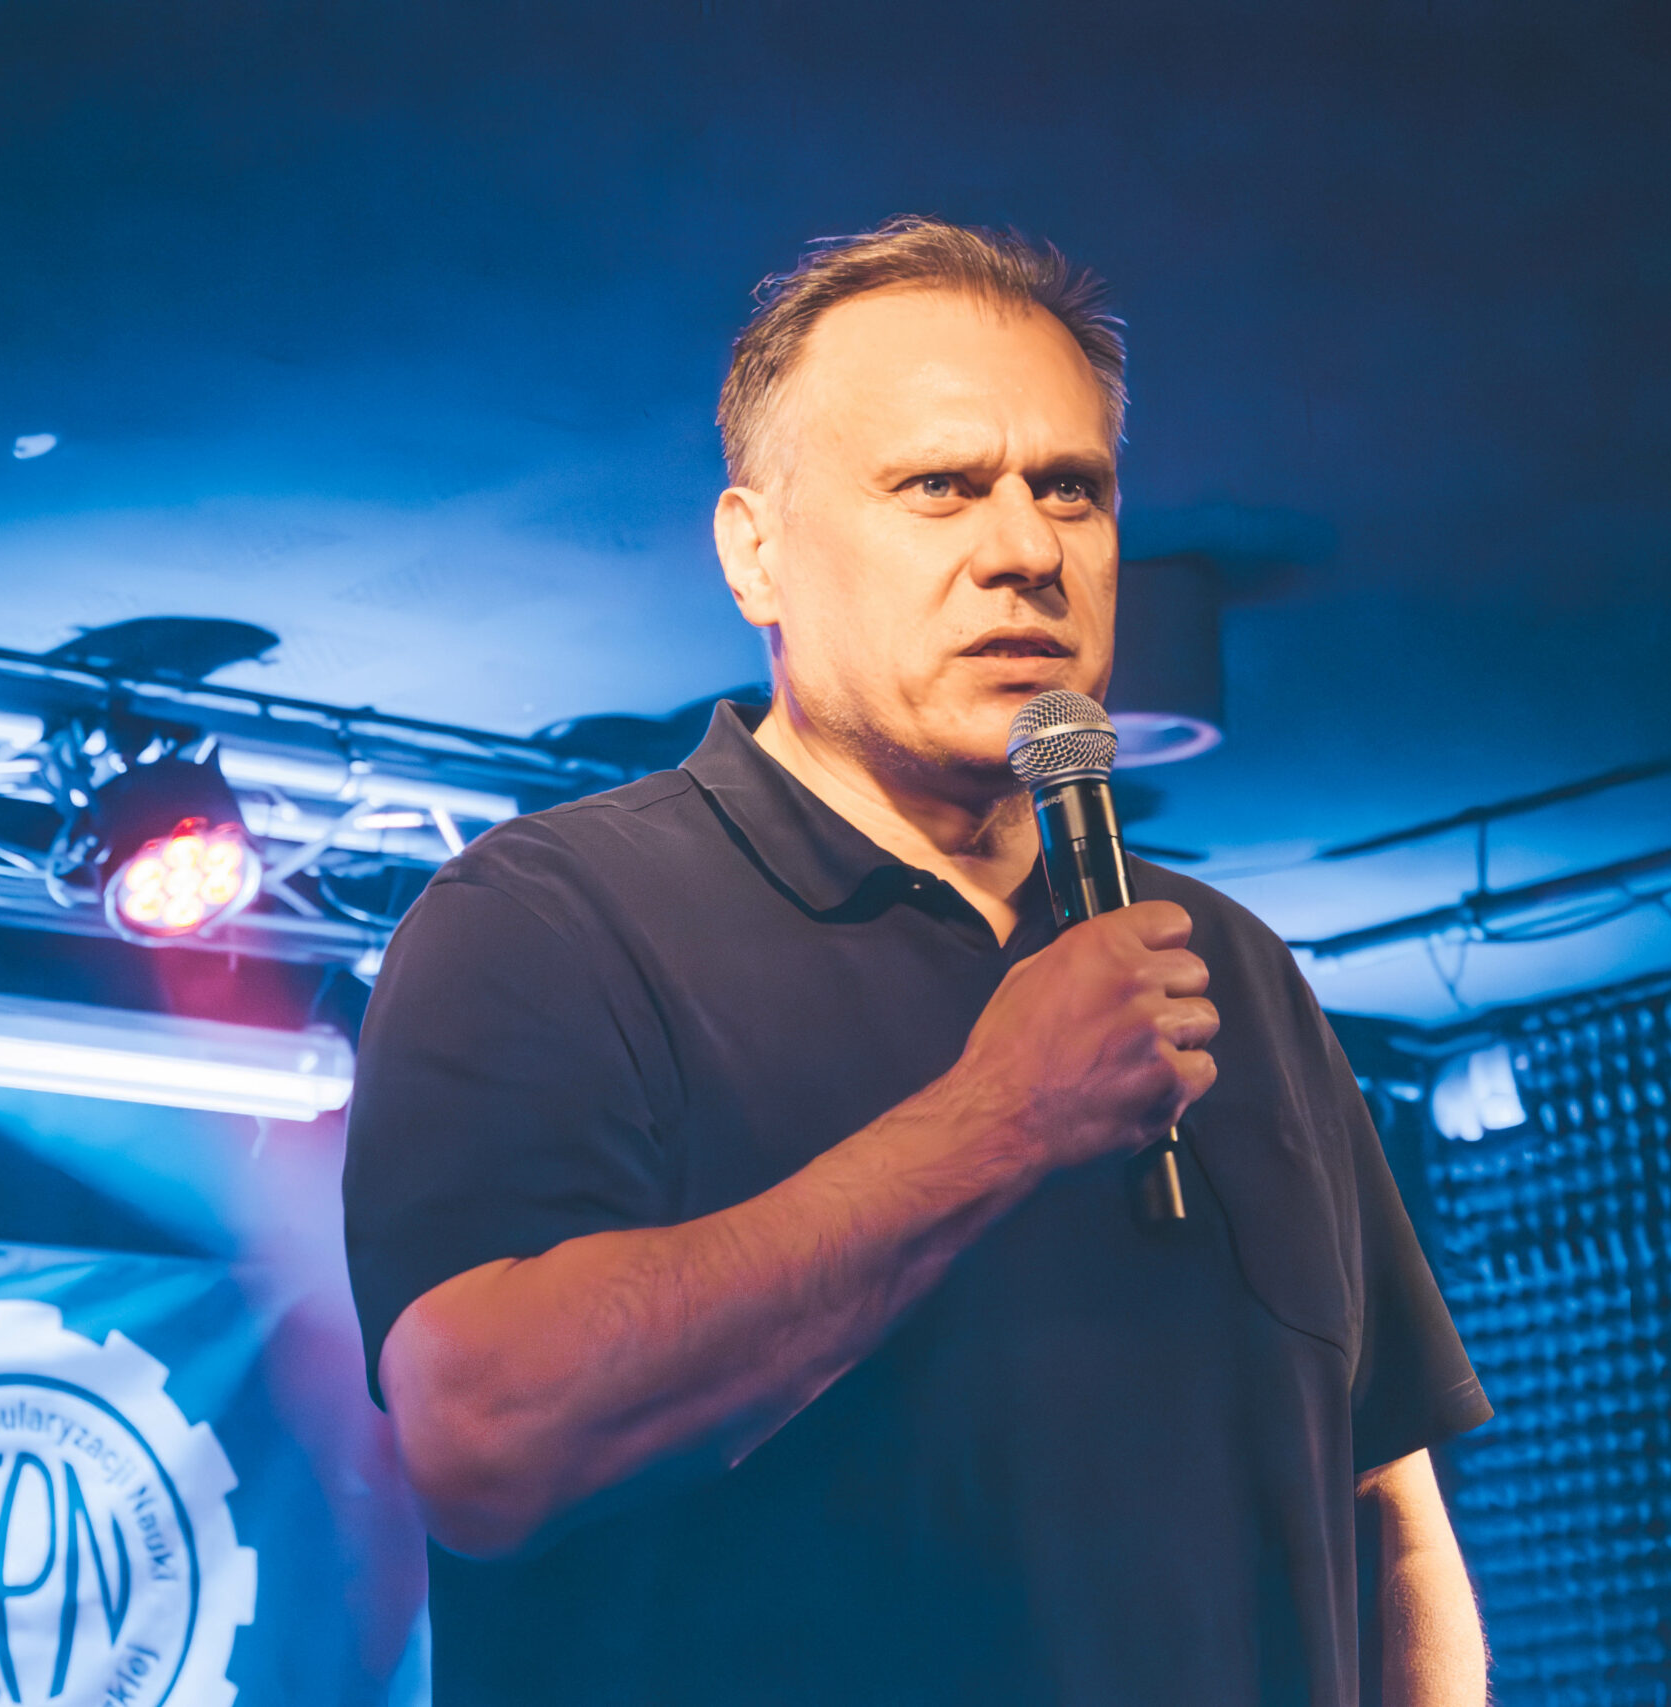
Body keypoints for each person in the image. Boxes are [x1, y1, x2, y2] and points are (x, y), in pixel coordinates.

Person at [343, 216, 1494, 1706]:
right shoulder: (551, 921)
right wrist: (999, 1120)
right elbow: (484, 1438)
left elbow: (1389, 1514)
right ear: (755, 551)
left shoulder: (1234, 970)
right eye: (940, 487)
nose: (1027, 550)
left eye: (1071, 489)